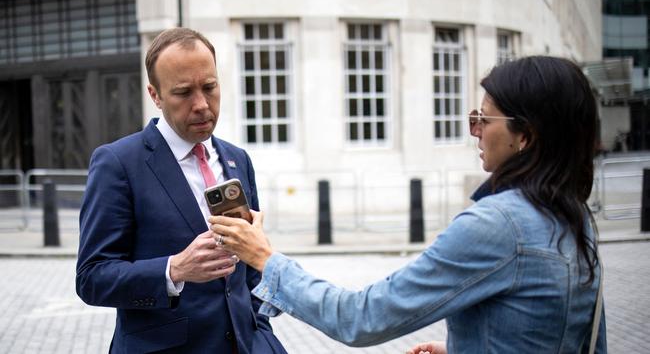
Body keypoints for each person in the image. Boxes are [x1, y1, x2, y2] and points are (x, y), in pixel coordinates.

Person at [210, 56, 607, 353]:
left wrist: (265, 258)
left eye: (483, 120)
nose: (475, 132)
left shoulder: (498, 225)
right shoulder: (572, 213)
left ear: (526, 137)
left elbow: (360, 317)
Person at [76, 28, 287, 354]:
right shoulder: (118, 164)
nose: (202, 105)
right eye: (183, 92)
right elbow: (92, 278)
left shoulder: (237, 159)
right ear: (155, 95)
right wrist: (173, 270)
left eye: (210, 87)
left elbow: (248, 273)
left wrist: (263, 336)